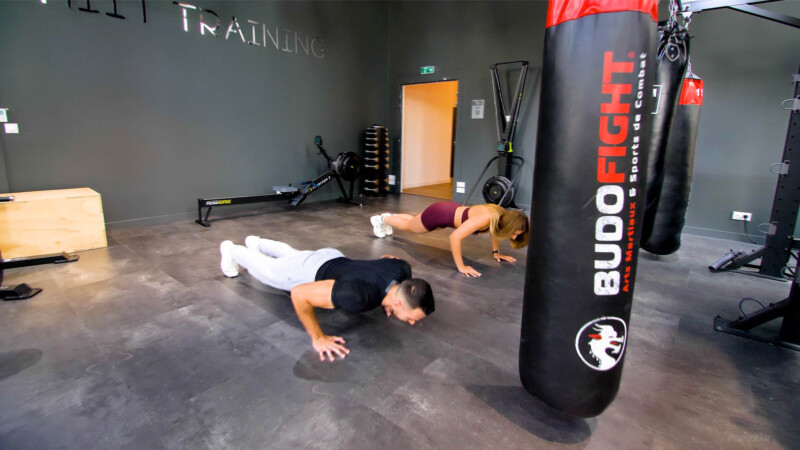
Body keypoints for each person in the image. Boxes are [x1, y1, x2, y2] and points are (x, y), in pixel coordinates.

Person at [219, 236, 435, 362]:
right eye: (411, 317)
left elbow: (387, 259)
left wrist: (391, 300)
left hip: (333, 256)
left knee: (295, 255)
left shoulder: (403, 270)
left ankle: (257, 242)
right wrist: (318, 338)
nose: (412, 322)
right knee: (268, 270)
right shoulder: (360, 296)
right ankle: (231, 250)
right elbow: (300, 294)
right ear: (399, 302)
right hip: (308, 272)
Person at [370, 201, 529, 277]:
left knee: (413, 221)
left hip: (447, 211)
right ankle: (381, 219)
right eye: (515, 232)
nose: (514, 236)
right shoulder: (486, 218)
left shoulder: (500, 215)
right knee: (409, 227)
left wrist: (496, 252)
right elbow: (455, 237)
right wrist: (461, 267)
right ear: (509, 225)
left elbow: (495, 231)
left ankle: (390, 217)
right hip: (440, 214)